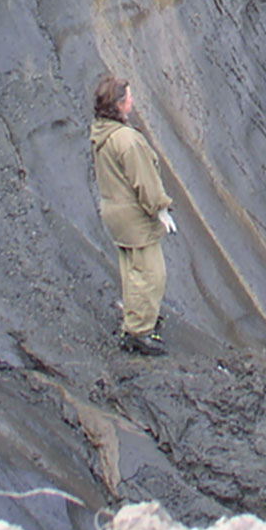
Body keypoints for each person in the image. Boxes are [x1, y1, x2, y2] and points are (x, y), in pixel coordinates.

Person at [89, 73, 177, 356]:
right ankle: (139, 332)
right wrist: (161, 208)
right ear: (118, 105)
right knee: (151, 273)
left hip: (113, 212)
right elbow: (145, 182)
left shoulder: (102, 132)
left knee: (131, 269)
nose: (132, 100)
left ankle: (135, 319)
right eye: (128, 97)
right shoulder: (127, 140)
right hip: (133, 216)